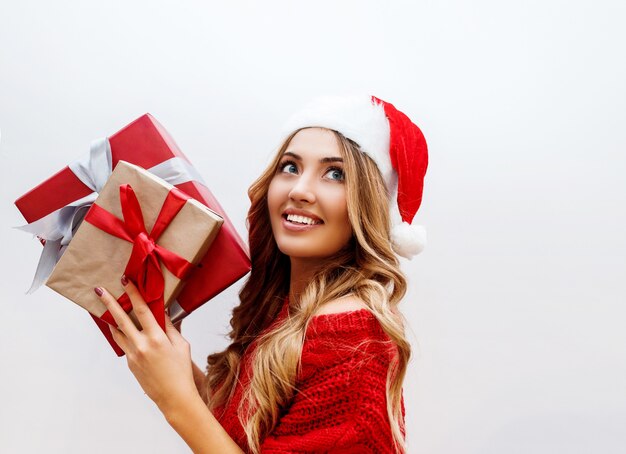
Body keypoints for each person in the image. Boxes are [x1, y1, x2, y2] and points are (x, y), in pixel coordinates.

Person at [93, 95, 428, 453]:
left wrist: (175, 401)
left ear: (369, 206)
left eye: (335, 174)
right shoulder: (292, 308)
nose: (299, 190)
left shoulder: (350, 341)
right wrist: (174, 366)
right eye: (290, 167)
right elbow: (250, 436)